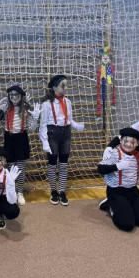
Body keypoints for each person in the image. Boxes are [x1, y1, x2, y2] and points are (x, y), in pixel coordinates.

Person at [39, 75, 85, 205]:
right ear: (54, 87)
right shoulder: (46, 104)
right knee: (52, 164)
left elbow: (69, 120)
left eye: (66, 85)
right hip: (52, 134)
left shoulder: (67, 102)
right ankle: (54, 190)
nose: (66, 88)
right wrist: (45, 142)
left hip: (66, 133)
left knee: (64, 164)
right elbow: (43, 125)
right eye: (63, 86)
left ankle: (62, 191)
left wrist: (77, 126)